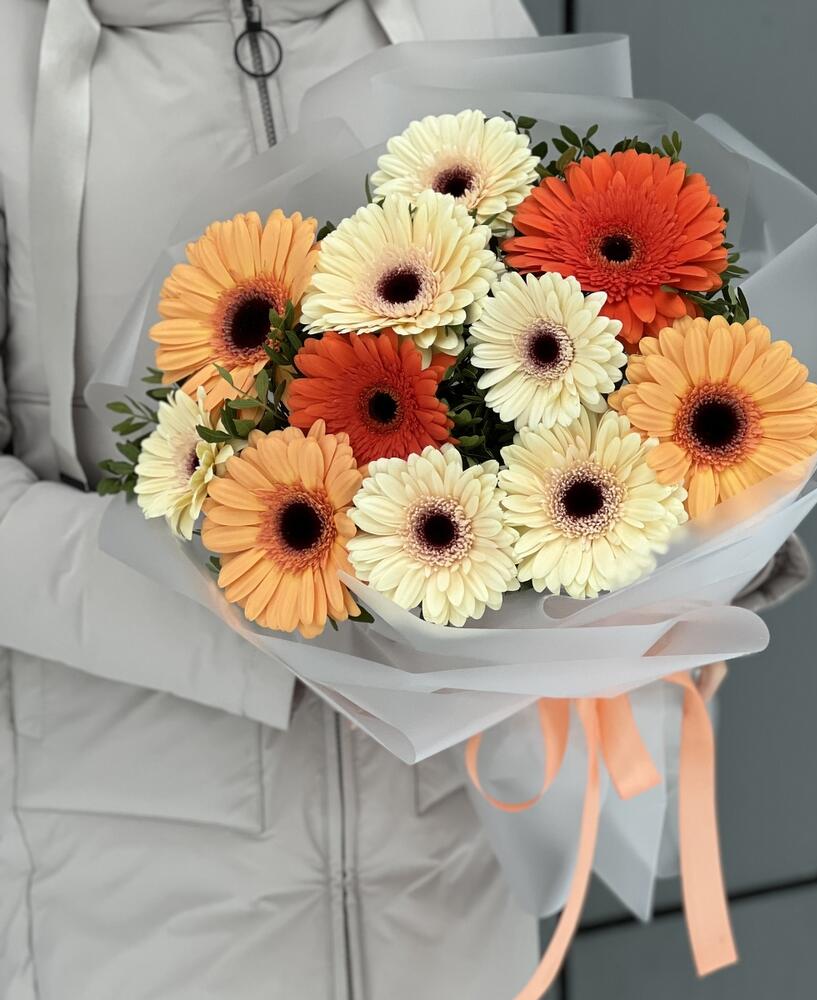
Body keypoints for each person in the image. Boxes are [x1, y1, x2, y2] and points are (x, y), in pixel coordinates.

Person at [0, 2, 543, 998]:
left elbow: (565, 339)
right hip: (136, 889)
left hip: (453, 873)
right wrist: (264, 608)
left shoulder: (457, 12)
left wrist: (671, 533)